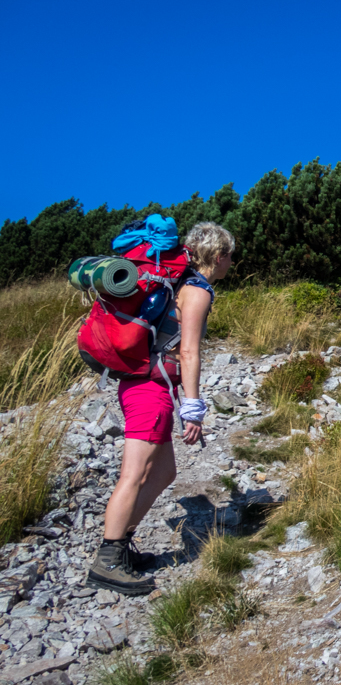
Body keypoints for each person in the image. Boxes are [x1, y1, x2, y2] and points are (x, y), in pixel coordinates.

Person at [87, 222, 235, 595]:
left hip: (146, 383)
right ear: (218, 258)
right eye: (230, 257)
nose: (231, 263)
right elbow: (189, 351)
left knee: (164, 472)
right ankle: (108, 559)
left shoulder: (177, 281)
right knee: (135, 474)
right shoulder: (196, 291)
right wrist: (193, 406)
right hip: (148, 387)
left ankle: (121, 546)